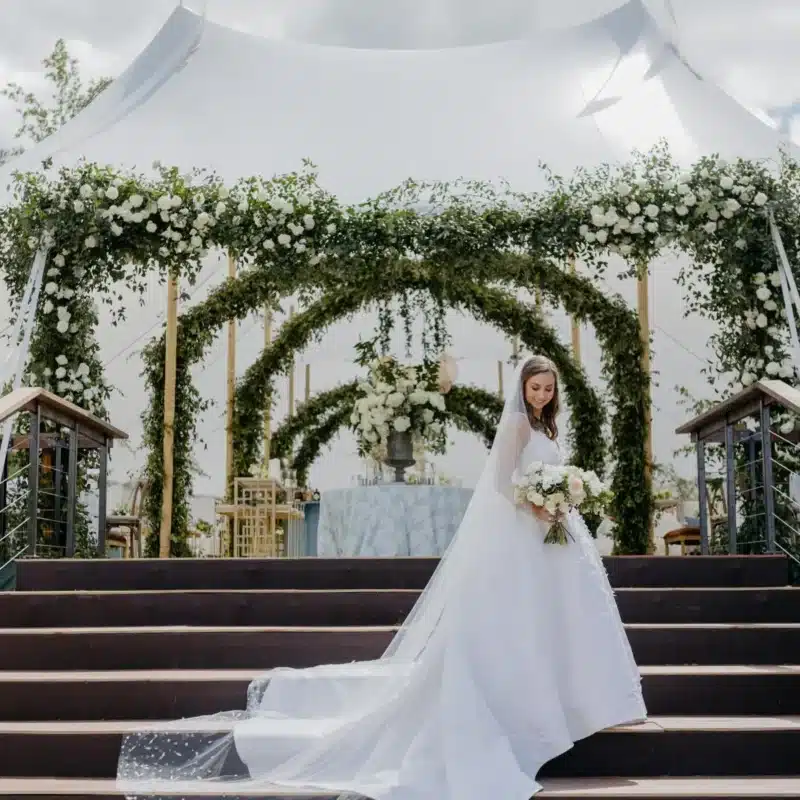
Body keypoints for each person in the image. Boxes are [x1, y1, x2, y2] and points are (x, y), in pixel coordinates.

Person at [118, 355, 646, 800]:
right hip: (530, 528)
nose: (541, 393)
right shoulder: (514, 425)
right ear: (522, 388)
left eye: (548, 388)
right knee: (526, 623)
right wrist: (537, 504)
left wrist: (562, 498)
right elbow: (503, 487)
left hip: (552, 533)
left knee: (563, 618)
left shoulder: (546, 427)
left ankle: (582, 701)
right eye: (535, 386)